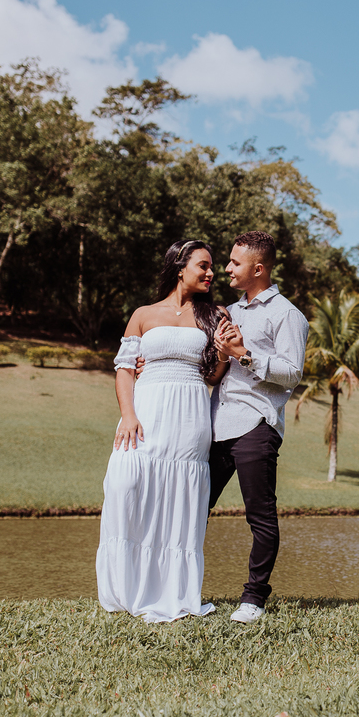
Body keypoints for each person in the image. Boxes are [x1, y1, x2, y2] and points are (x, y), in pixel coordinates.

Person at [95, 239, 229, 623]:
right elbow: (124, 369)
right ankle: (127, 587)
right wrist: (129, 414)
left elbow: (213, 374)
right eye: (203, 265)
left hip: (189, 415)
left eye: (213, 267)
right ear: (179, 266)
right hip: (146, 411)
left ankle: (173, 590)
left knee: (178, 499)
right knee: (126, 486)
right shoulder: (143, 314)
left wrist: (222, 352)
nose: (211, 273)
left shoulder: (214, 314)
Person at [209, 231, 308, 623]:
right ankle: (179, 589)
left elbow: (292, 374)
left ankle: (253, 600)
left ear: (258, 268)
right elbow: (218, 370)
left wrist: (244, 355)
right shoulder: (229, 311)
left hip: (256, 425)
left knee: (260, 517)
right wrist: (220, 354)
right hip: (215, 426)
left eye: (235, 262)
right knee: (194, 510)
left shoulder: (287, 314)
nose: (227, 268)